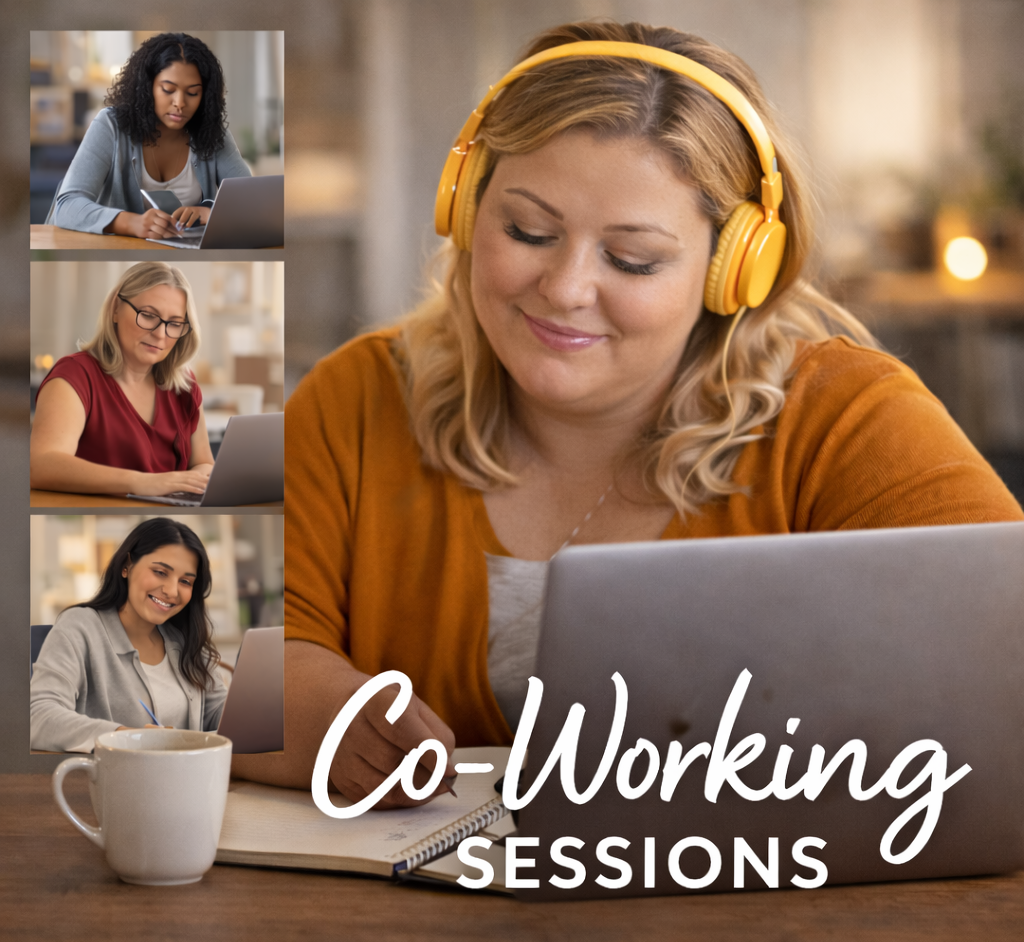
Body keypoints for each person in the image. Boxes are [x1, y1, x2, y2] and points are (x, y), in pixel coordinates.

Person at [233, 21, 1024, 804]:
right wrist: (318, 713)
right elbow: (190, 664)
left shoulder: (843, 419)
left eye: (632, 259)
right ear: (466, 208)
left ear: (732, 272)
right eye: (529, 230)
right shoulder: (355, 403)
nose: (568, 287)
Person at [31, 518, 228, 753]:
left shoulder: (187, 639)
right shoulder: (80, 626)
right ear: (127, 565)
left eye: (185, 581)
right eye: (160, 572)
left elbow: (220, 716)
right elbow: (38, 716)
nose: (172, 591)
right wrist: (128, 738)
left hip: (188, 781)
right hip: (111, 782)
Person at [31, 262, 215, 498]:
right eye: (148, 316)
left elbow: (204, 464)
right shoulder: (75, 376)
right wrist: (143, 483)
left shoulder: (185, 385)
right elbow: (41, 466)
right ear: (116, 308)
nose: (160, 333)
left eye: (175, 324)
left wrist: (196, 478)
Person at [46, 32, 250, 239]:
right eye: (168, 89)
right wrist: (131, 223)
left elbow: (252, 203)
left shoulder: (212, 133)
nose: (180, 103)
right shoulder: (110, 126)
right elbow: (68, 206)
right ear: (147, 86)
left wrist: (211, 212)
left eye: (192, 93)